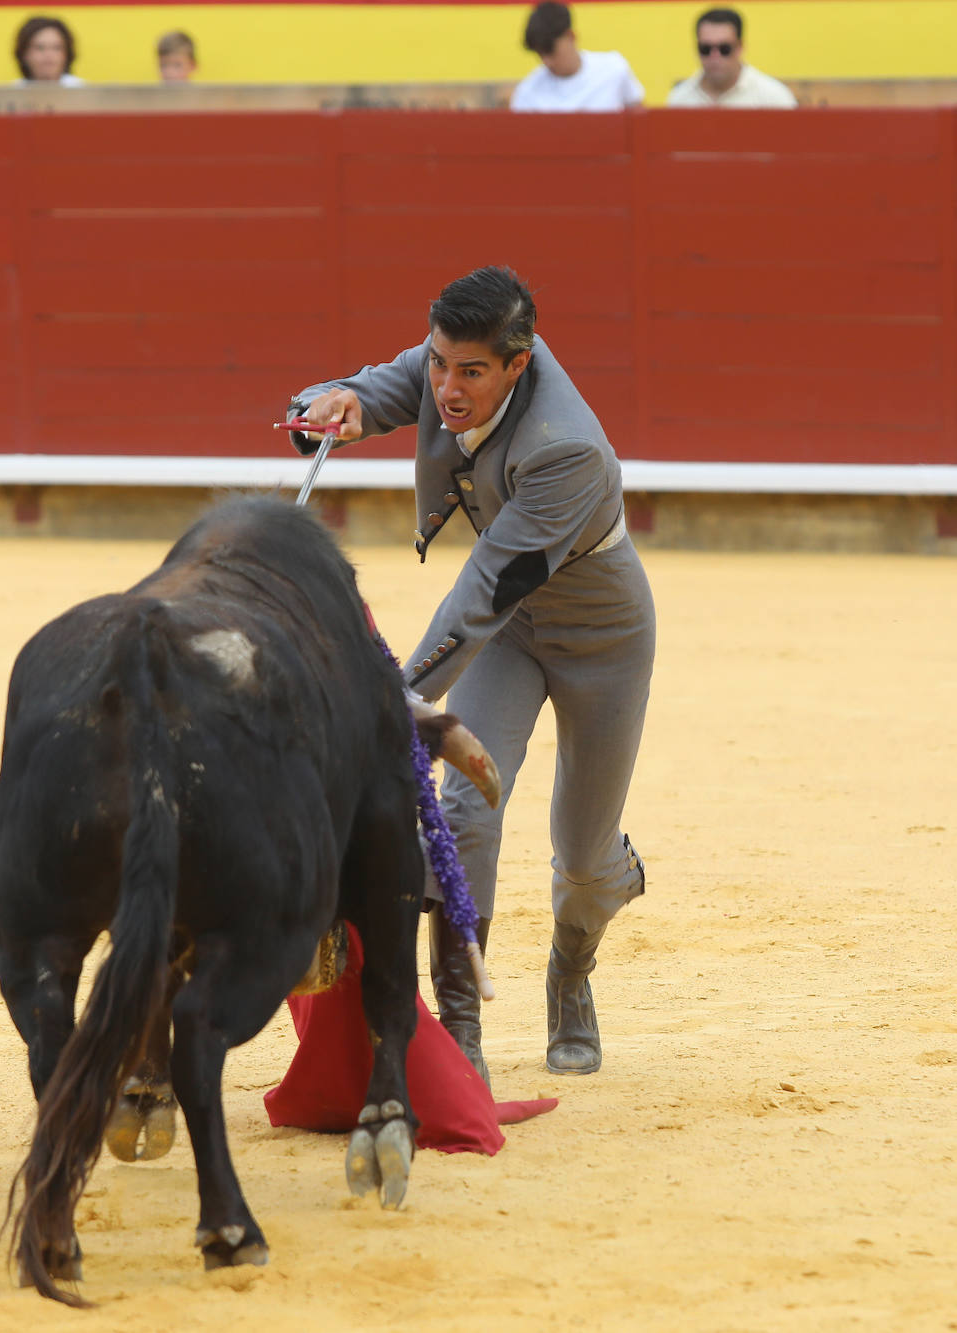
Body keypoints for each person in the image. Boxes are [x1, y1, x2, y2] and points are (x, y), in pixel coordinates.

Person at [285, 265, 655, 1081]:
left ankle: (571, 970)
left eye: (471, 372)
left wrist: (398, 694)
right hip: (516, 634)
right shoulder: (454, 357)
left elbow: (486, 587)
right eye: (440, 363)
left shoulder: (567, 450)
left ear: (518, 365)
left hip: (601, 638)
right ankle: (461, 1030)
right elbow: (385, 387)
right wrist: (336, 400)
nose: (447, 387)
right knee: (466, 806)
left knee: (586, 862)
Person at [509, 2, 643, 112]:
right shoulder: (528, 91)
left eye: (551, 51)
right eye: (540, 54)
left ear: (571, 36)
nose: (547, 62)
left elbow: (639, 123)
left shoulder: (614, 69)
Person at [667, 7, 797, 108]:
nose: (715, 56)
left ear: (740, 47)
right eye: (705, 49)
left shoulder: (773, 98)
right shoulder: (680, 98)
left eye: (724, 49)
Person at [13, 15, 85, 87]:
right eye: (40, 47)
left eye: (56, 48)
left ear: (67, 54)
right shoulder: (11, 94)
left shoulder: (85, 92)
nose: (48, 54)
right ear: (24, 54)